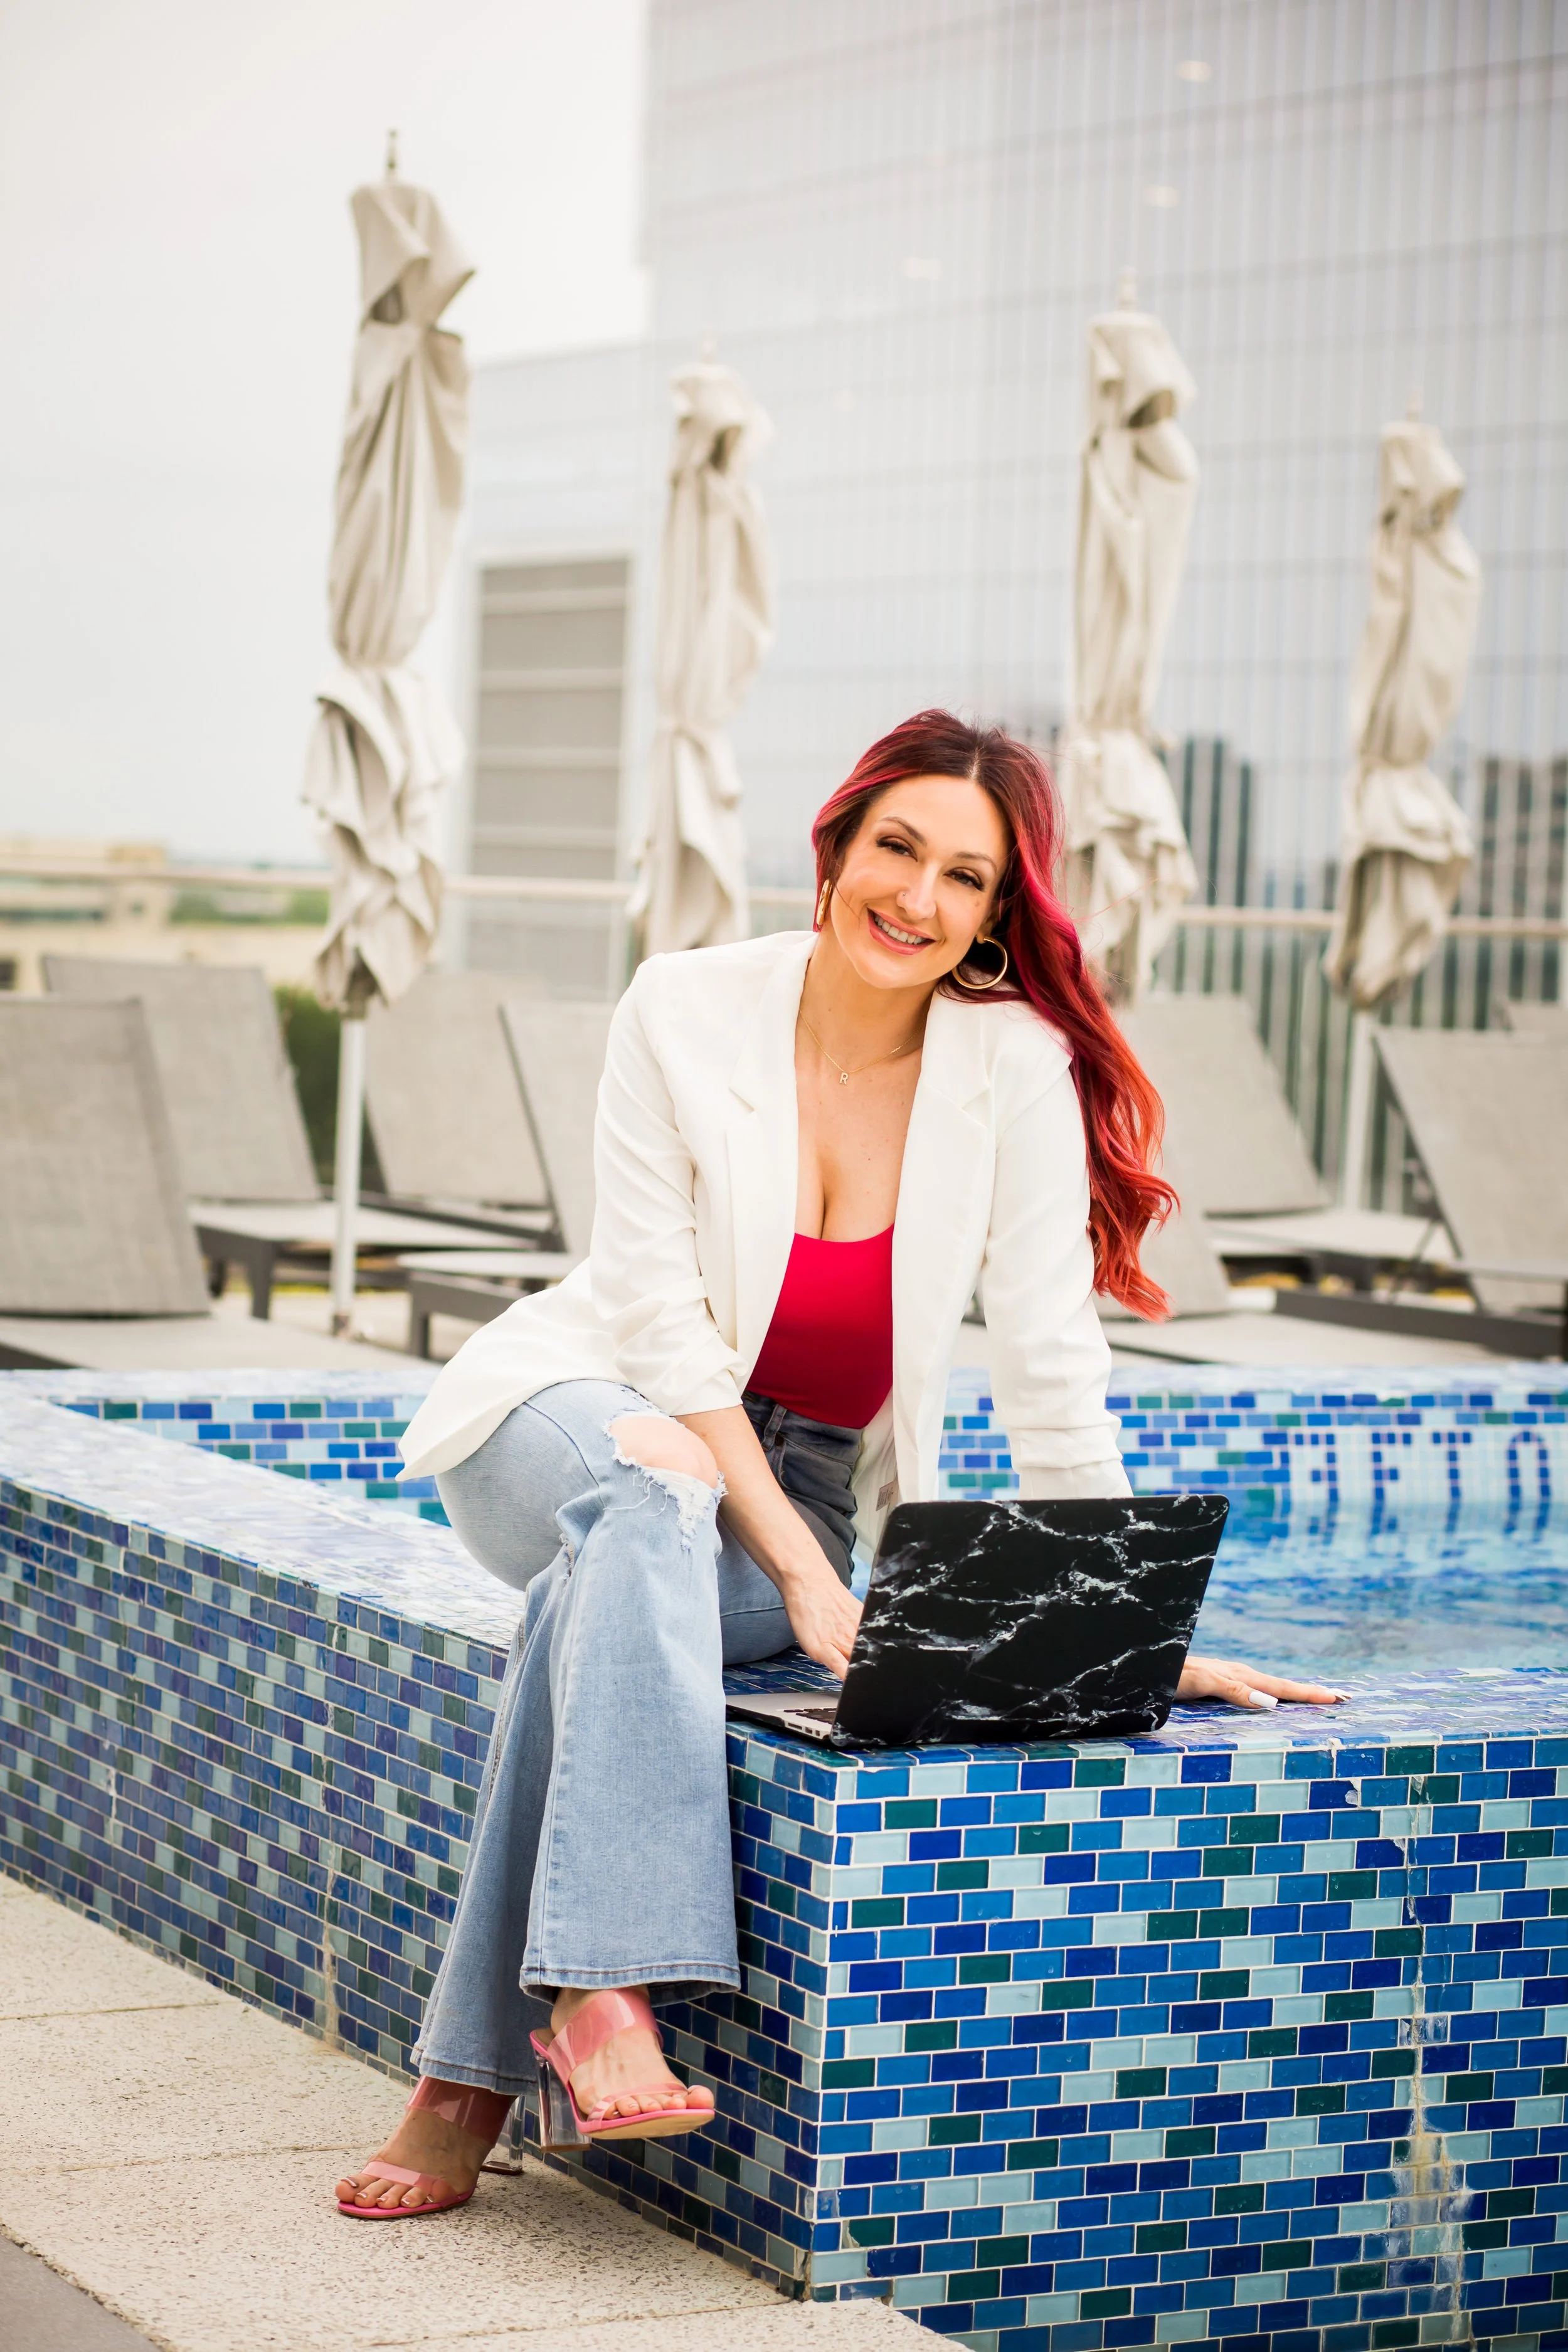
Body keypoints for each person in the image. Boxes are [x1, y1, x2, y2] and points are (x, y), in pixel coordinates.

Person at [336, 711, 1341, 2219]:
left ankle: (465, 2078)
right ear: (836, 846)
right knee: (650, 1490)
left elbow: (1053, 1364)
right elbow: (666, 1330)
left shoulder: (1010, 1068)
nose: (918, 898)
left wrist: (1118, 1626)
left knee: (597, 1603)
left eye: (964, 877)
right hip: (571, 1405)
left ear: (995, 915)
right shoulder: (682, 1003)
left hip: (775, 1480)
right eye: (897, 850)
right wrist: (808, 1578)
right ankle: (606, 1986)